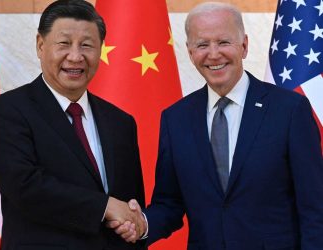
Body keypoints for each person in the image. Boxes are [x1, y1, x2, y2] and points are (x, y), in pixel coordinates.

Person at [109, 2, 323, 249]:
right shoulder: (176, 118)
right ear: (190, 53)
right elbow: (169, 203)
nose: (213, 54)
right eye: (202, 45)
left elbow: (314, 207)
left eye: (223, 42)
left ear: (243, 46)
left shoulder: (290, 110)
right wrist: (142, 224)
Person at [0, 0, 146, 249]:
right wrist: (104, 207)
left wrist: (135, 225)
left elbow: (130, 209)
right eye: (64, 44)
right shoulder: (9, 111)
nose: (75, 56)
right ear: (40, 45)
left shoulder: (120, 122)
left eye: (87, 45)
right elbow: (25, 188)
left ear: (100, 49)